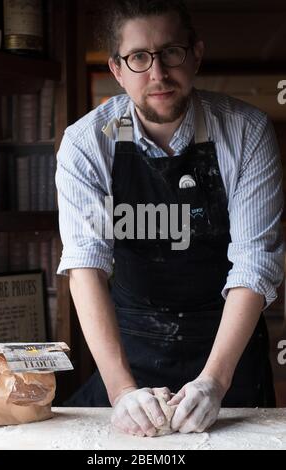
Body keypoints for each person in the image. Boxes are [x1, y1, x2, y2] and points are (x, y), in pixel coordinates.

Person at [55, 0, 284, 436]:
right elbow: (85, 266)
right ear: (117, 70)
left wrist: (214, 382)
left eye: (171, 52)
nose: (157, 73)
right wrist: (122, 391)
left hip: (227, 350)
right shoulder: (86, 143)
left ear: (195, 54)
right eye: (139, 57)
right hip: (130, 351)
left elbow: (256, 264)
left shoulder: (246, 131)